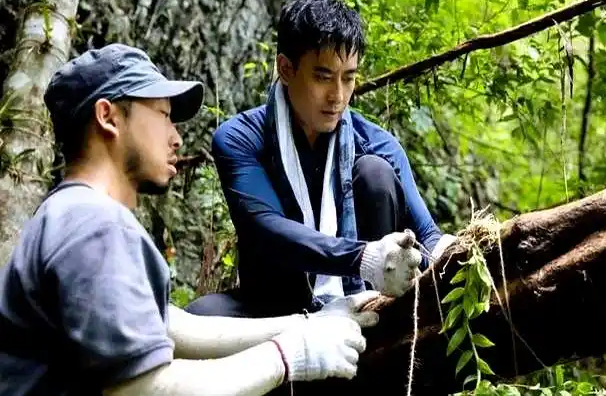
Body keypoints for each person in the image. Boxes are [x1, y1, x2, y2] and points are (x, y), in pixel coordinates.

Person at [0, 43, 381, 396]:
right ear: (108, 117)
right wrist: (290, 356)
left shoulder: (68, 216)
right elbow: (143, 388)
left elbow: (172, 326)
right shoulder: (94, 226)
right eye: (164, 115)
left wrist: (308, 324)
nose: (176, 138)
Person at [185, 0, 456, 319]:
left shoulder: (377, 144)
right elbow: (268, 231)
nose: (338, 96)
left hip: (367, 302)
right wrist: (362, 258)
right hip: (274, 305)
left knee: (376, 173)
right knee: (200, 314)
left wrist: (462, 253)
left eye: (349, 78)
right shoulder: (240, 139)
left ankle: (379, 319)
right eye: (323, 77)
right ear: (286, 69)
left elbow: (429, 237)